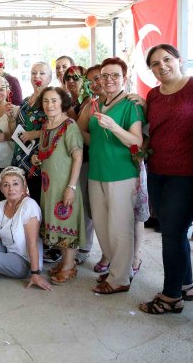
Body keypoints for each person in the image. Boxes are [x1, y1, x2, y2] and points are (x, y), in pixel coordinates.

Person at [135, 44, 193, 315]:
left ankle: (171, 296)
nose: (162, 66)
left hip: (188, 173)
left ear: (179, 60)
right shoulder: (153, 95)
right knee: (174, 231)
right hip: (157, 171)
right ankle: (185, 285)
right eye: (155, 63)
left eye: (167, 59)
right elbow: (152, 130)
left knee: (171, 234)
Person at [80, 57, 144, 295]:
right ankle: (118, 268)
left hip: (121, 173)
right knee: (102, 226)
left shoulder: (131, 105)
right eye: (104, 75)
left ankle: (120, 279)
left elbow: (136, 142)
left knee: (120, 227)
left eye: (115, 75)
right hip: (97, 171)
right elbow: (86, 133)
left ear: (124, 78)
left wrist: (114, 127)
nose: (108, 80)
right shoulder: (95, 104)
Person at [30, 87, 84, 284]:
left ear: (62, 103)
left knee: (67, 223)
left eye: (54, 100)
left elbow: (78, 156)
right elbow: (47, 152)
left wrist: (71, 187)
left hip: (64, 185)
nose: (49, 105)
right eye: (46, 101)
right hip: (49, 186)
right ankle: (65, 263)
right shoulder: (46, 125)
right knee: (57, 225)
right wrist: (37, 158)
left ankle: (69, 266)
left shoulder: (69, 125)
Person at [12, 62, 52, 206]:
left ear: (49, 78)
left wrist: (34, 134)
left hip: (37, 156)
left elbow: (58, 129)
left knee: (37, 199)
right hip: (21, 153)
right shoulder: (26, 100)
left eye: (42, 73)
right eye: (34, 73)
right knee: (19, 199)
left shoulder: (50, 101)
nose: (37, 76)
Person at [75, 65, 104, 266]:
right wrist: (98, 143)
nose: (95, 83)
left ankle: (125, 259)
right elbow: (78, 129)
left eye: (99, 77)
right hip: (88, 159)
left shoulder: (128, 101)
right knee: (90, 206)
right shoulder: (90, 104)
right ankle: (87, 247)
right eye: (91, 80)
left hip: (117, 166)